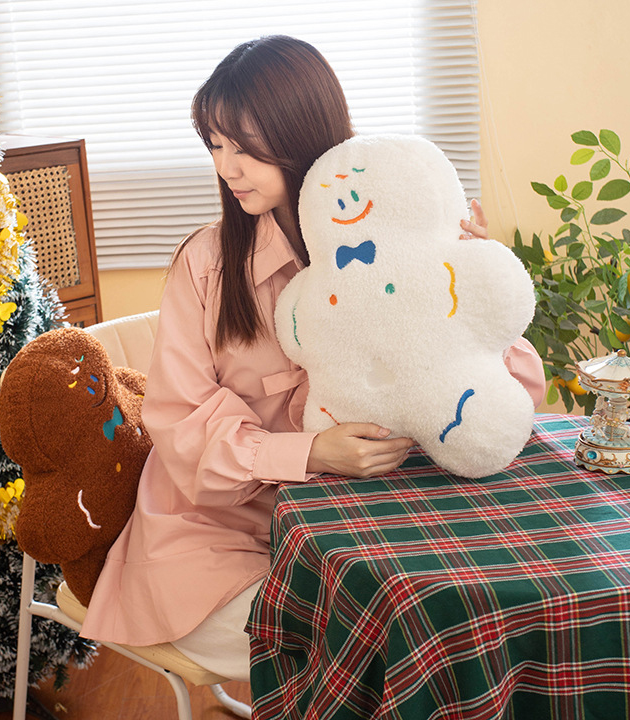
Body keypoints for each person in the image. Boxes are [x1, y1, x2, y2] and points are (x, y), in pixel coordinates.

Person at [80, 35, 546, 681]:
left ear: (301, 133)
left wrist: (470, 289)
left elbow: (512, 390)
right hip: (220, 543)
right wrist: (311, 453)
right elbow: (181, 425)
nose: (227, 168)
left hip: (369, 521)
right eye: (215, 145)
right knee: (372, 652)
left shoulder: (404, 242)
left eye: (244, 147)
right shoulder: (208, 264)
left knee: (473, 627)